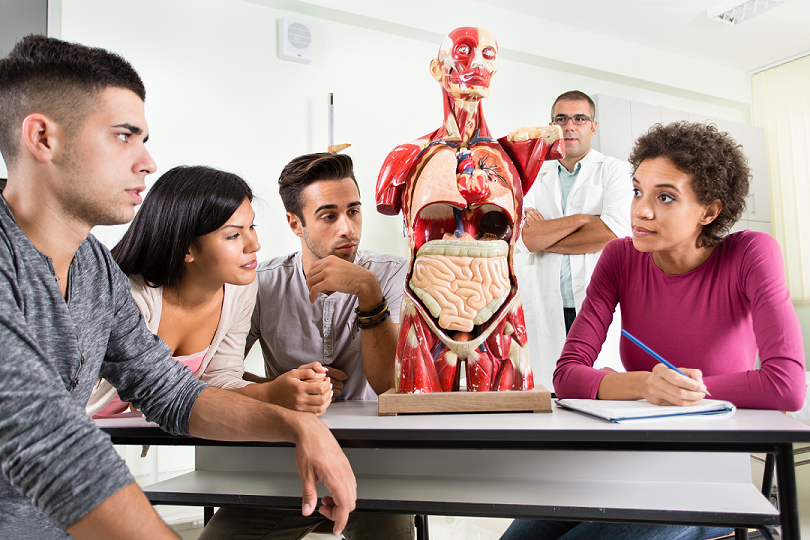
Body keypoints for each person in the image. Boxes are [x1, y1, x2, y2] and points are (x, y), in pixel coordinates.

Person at [0, 35, 355, 540]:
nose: (147, 162)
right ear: (43, 138)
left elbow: (167, 388)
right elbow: (44, 442)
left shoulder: (94, 270)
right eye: (124, 136)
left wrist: (298, 425)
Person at [501, 121, 806, 540]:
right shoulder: (619, 258)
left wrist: (678, 392)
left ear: (709, 211)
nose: (641, 211)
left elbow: (786, 386)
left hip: (707, 474)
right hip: (624, 460)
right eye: (637, 190)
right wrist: (646, 385)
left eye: (665, 197)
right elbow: (568, 375)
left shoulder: (750, 254)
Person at [199, 152, 413, 539]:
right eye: (329, 216)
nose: (347, 228)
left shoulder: (391, 274)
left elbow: (389, 384)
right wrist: (284, 388)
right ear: (295, 224)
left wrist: (368, 292)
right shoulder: (260, 282)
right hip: (284, 460)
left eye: (354, 211)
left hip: (374, 463)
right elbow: (216, 372)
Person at [86, 165, 333, 417]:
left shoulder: (239, 291)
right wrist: (268, 393)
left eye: (252, 226)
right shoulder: (131, 299)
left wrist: (282, 389)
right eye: (233, 235)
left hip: (116, 437)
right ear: (186, 248)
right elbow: (159, 393)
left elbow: (220, 379)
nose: (254, 245)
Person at [517, 90, 633, 390]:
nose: (570, 126)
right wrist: (583, 219)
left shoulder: (616, 171)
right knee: (551, 392)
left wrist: (543, 236)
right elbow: (520, 237)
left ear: (593, 126)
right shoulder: (529, 175)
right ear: (552, 125)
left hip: (595, 302)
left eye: (579, 119)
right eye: (561, 119)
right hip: (545, 300)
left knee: (595, 390)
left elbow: (613, 232)